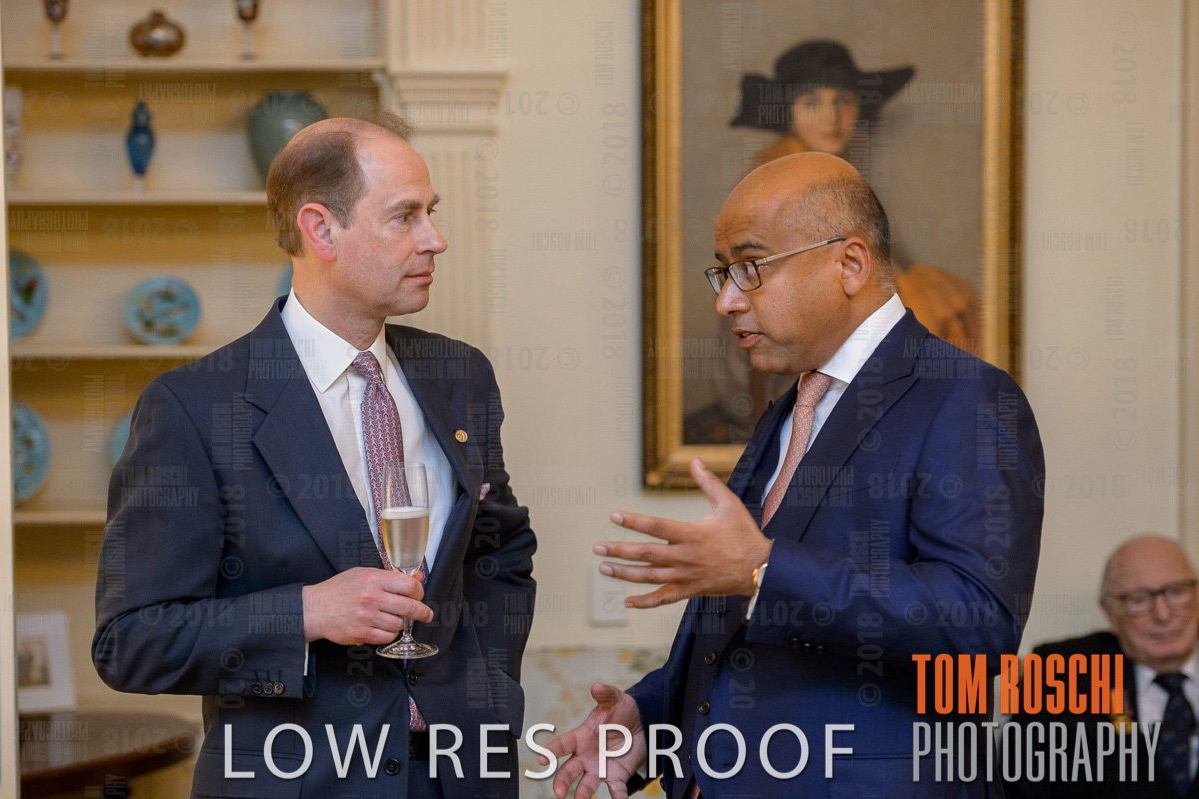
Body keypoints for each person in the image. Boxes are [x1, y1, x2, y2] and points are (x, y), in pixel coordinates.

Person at [545, 152, 1044, 798]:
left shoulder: (965, 397)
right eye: (723, 272)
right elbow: (752, 640)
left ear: (850, 263)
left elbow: (977, 625)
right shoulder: (791, 407)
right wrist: (650, 714)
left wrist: (764, 568)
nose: (726, 301)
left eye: (750, 268)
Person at [91, 113, 536, 799]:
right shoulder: (193, 407)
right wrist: (305, 612)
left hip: (461, 777)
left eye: (432, 213)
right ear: (321, 230)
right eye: (405, 217)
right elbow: (130, 640)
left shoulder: (462, 375)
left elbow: (499, 551)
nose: (435, 239)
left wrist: (489, 687)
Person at [731, 39, 981, 355]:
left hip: (835, 297)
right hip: (796, 318)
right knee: (947, 311)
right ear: (787, 113)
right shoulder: (788, 172)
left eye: (843, 101)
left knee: (951, 304)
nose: (831, 118)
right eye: (812, 104)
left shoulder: (824, 168)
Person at [1005, 535, 1199, 799]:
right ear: (1110, 612)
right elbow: (1019, 788)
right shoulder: (1060, 674)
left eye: (1177, 591)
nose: (1162, 614)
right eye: (1138, 599)